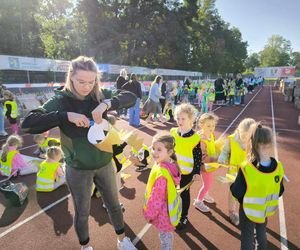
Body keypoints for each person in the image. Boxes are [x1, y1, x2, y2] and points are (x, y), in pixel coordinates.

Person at [21, 56, 137, 250]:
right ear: (71, 77)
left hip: (104, 163)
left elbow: (130, 96)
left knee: (114, 205)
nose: (86, 86)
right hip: (78, 168)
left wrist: (107, 104)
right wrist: (65, 116)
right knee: (82, 212)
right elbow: (28, 124)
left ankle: (122, 239)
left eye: (91, 82)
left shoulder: (100, 94)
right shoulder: (60, 101)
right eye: (81, 81)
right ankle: (85, 246)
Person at [230, 123, 284, 250]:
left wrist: (232, 184)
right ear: (270, 143)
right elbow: (280, 190)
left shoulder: (246, 168)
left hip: (247, 210)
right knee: (261, 233)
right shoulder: (278, 167)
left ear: (252, 142)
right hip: (264, 209)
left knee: (247, 236)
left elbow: (237, 192)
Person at [143, 134, 181, 250]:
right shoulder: (171, 164)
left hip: (163, 214)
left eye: (159, 149)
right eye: (153, 148)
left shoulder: (161, 174)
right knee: (167, 236)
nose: (154, 152)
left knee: (165, 239)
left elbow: (156, 200)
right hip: (168, 209)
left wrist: (149, 214)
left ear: (169, 152)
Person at [218, 118, 256, 226]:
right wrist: (222, 157)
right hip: (233, 172)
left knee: (247, 193)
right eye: (244, 136)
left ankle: (246, 212)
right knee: (233, 193)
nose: (245, 139)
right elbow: (225, 151)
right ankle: (232, 213)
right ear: (239, 131)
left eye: (248, 137)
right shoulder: (231, 140)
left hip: (248, 172)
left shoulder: (254, 141)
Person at [170, 103, 202, 230]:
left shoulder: (195, 138)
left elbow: (198, 157)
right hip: (172, 170)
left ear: (191, 120)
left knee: (184, 194)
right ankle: (173, 212)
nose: (180, 121)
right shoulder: (173, 132)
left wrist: (196, 172)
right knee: (172, 192)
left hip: (187, 172)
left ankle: (184, 216)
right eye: (178, 118)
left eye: (183, 118)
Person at [193, 113, 219, 213]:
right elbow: (202, 157)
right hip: (205, 165)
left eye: (213, 125)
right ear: (201, 125)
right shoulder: (201, 140)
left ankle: (205, 194)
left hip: (211, 163)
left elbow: (212, 146)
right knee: (207, 184)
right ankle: (198, 201)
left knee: (208, 182)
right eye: (208, 126)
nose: (211, 128)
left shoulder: (211, 135)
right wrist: (214, 158)